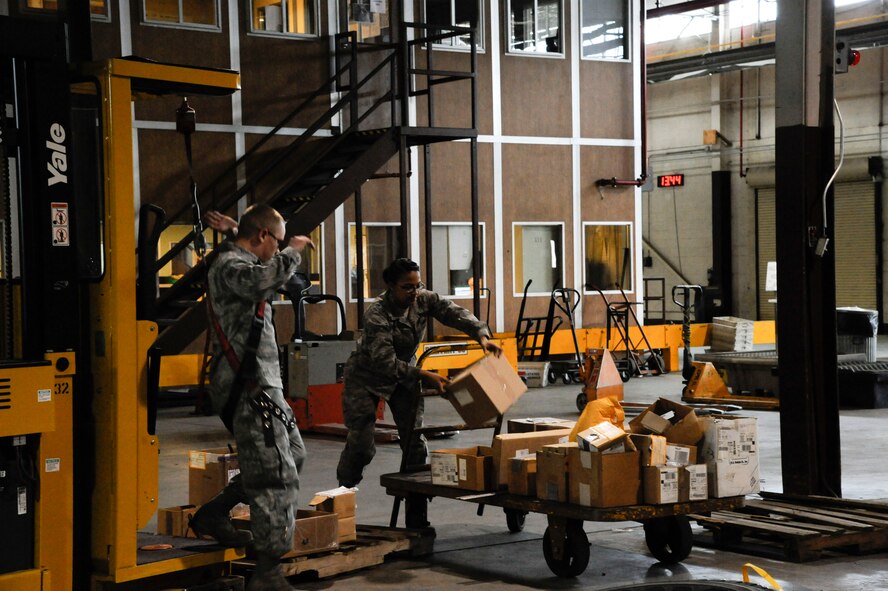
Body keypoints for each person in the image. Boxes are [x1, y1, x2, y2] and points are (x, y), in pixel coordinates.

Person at [190, 205, 312, 591]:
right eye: (275, 241)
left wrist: (235, 230)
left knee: (291, 455)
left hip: (262, 383)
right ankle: (267, 571)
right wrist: (293, 251)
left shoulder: (239, 257)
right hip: (249, 386)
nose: (278, 251)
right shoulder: (231, 265)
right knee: (276, 474)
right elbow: (258, 280)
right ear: (262, 236)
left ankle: (214, 513)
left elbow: (260, 269)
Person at [336, 258, 502, 523]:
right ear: (391, 287)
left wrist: (482, 336)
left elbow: (455, 314)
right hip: (367, 377)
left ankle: (416, 519)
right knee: (361, 446)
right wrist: (426, 375)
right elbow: (384, 362)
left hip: (405, 375)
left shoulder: (423, 299)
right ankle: (339, 501)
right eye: (407, 287)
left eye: (417, 285)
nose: (414, 292)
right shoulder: (377, 314)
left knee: (415, 445)